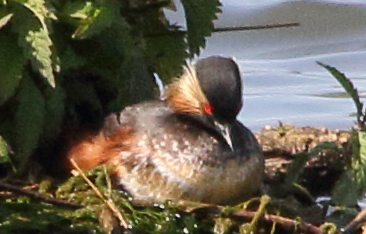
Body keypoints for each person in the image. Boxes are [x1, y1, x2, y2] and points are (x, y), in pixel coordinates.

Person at [67, 56, 263, 204]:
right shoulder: (135, 129)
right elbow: (84, 152)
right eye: (210, 111)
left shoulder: (244, 141)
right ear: (198, 100)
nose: (226, 131)